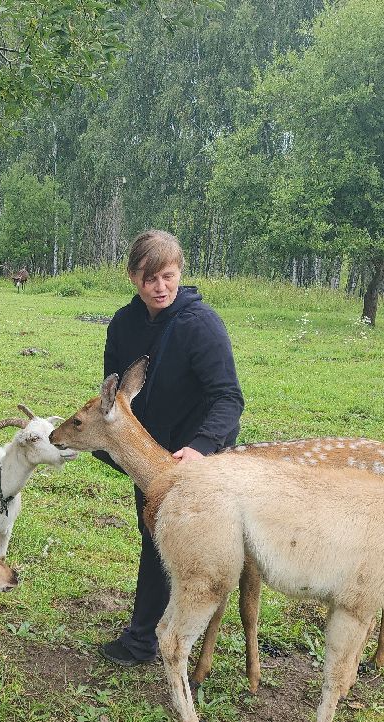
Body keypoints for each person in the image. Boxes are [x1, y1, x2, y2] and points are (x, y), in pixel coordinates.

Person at [98, 229, 244, 666]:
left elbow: (228, 398)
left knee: (179, 545)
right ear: (133, 278)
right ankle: (153, 634)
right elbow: (115, 396)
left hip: (198, 457)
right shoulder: (123, 325)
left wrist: (199, 447)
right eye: (149, 279)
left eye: (168, 276)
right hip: (148, 454)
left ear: (179, 272)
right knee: (154, 537)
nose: (160, 287)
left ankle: (151, 638)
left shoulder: (201, 325)